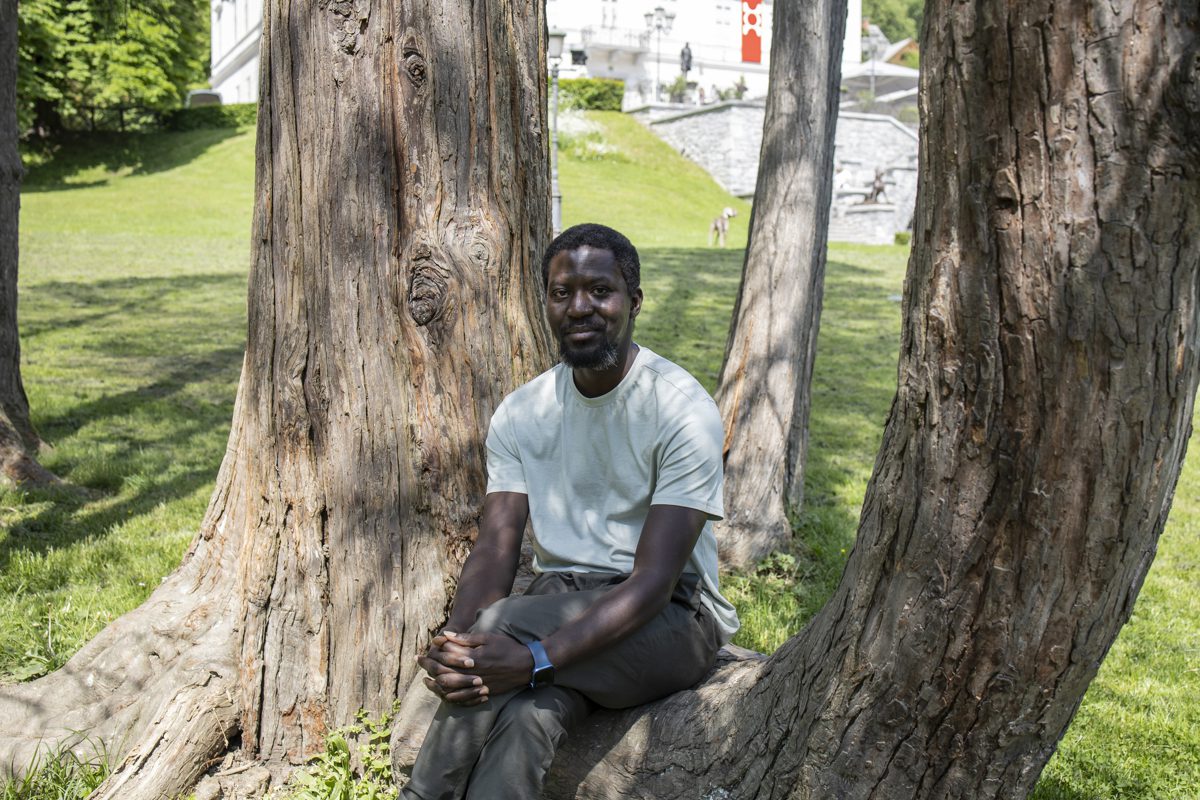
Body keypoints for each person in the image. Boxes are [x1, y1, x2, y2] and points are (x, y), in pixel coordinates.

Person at [400, 224, 739, 800]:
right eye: (562, 292)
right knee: (531, 717)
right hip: (560, 601)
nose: (579, 307)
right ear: (547, 303)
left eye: (599, 290)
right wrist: (458, 645)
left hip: (673, 617)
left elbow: (654, 583)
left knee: (500, 627)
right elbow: (497, 547)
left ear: (633, 302)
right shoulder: (522, 411)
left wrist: (531, 656)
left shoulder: (682, 409)